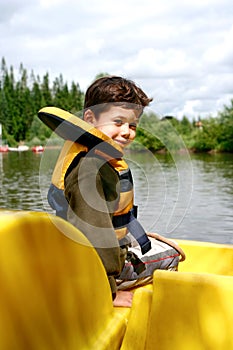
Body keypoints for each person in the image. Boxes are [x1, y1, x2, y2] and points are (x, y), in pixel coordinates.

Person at [43, 76, 185, 307]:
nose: (127, 132)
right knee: (173, 254)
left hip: (79, 260)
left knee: (149, 241)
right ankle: (160, 316)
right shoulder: (90, 169)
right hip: (94, 274)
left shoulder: (89, 157)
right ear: (90, 118)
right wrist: (108, 292)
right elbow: (94, 234)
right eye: (118, 122)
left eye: (132, 126)